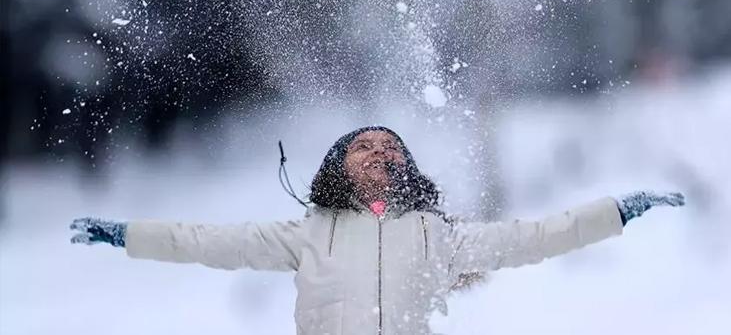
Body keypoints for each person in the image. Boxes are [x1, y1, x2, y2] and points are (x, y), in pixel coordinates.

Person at [70, 126, 685, 335]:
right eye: (362, 146)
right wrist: (127, 234)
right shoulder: (307, 234)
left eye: (390, 146)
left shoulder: (440, 236)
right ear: (336, 167)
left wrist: (617, 211)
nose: (378, 152)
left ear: (407, 167)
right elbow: (205, 241)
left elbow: (537, 236)